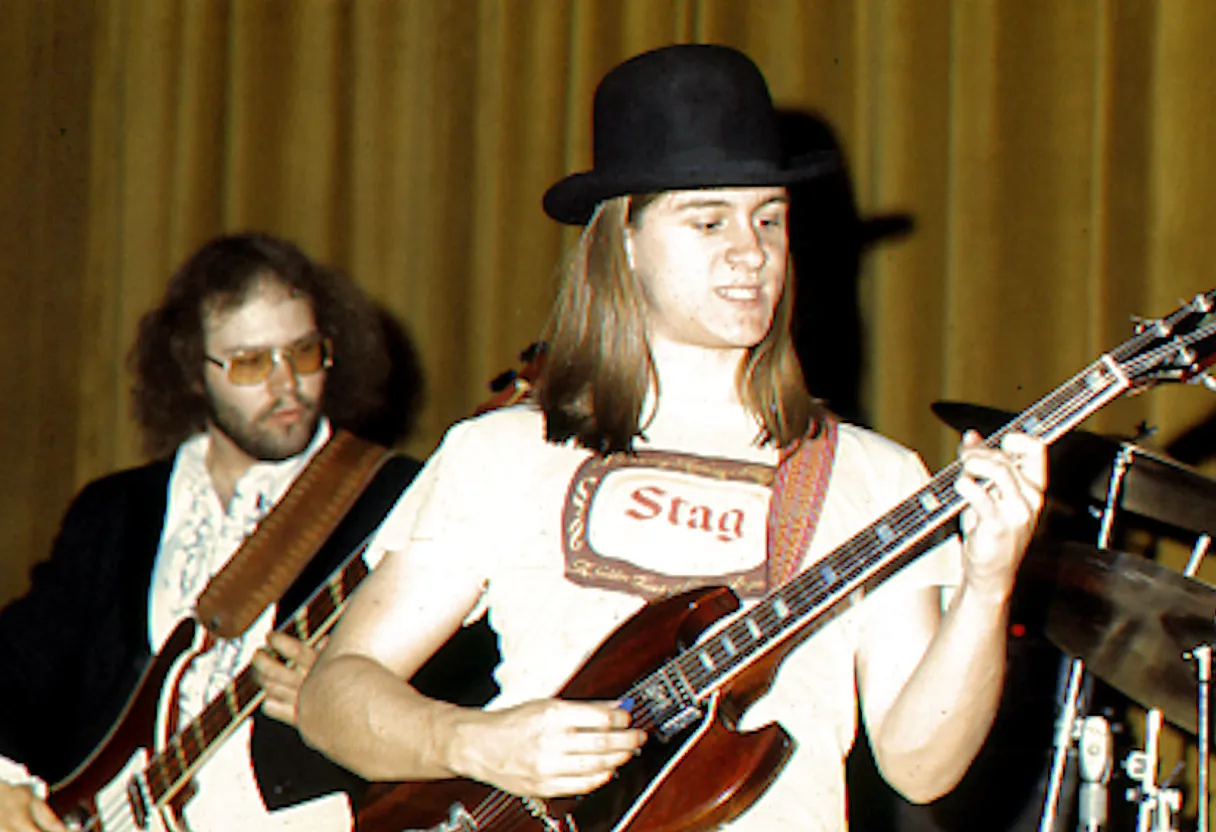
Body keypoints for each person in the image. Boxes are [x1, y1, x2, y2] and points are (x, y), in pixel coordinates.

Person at [297, 43, 1048, 831]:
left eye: (768, 218)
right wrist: (473, 742)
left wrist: (989, 584)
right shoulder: (505, 454)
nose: (750, 253)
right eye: (707, 219)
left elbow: (922, 768)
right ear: (624, 238)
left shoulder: (875, 475)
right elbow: (333, 696)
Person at [0, 232, 423, 832]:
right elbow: (17, 668)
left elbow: (461, 697)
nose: (287, 387)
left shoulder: (395, 498)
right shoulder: (115, 512)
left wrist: (350, 702)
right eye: (251, 363)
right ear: (191, 373)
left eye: (303, 353)